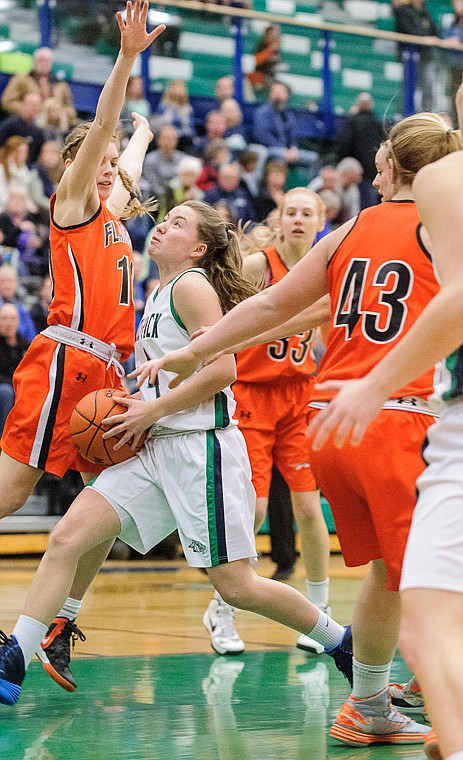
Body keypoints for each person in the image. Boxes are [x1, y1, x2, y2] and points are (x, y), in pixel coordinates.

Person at [132, 113, 463, 746]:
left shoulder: (352, 229)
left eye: (379, 158)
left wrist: (192, 350)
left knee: (387, 574)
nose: (370, 166)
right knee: (430, 571)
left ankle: (373, 700)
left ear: (390, 167)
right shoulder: (447, 228)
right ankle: (433, 691)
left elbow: (277, 305)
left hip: (326, 418)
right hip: (393, 414)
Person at [0, 201, 351, 705]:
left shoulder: (190, 286)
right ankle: (15, 659)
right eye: (165, 219)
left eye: (178, 223)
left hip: (199, 449)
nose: (163, 224)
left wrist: (151, 409)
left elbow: (222, 369)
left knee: (237, 586)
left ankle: (341, 642)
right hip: (157, 447)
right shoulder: (159, 292)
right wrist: (137, 406)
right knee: (67, 537)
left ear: (199, 248)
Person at [306, 37, 463, 760]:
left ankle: (437, 729)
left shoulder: (451, 178)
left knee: (429, 628)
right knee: (436, 609)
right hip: (446, 416)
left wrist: (372, 382)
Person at [0, 0, 165, 691]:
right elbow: (102, 134)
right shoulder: (73, 206)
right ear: (73, 165)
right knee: (10, 494)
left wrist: (145, 132)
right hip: (64, 364)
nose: (106, 168)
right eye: (93, 161)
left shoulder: (116, 217)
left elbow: (122, 150)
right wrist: (126, 60)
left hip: (107, 375)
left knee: (110, 503)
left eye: (110, 167)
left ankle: (58, 623)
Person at [201, 189, 333, 657]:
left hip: (299, 395)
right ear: (280, 218)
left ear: (321, 219)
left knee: (310, 508)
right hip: (253, 395)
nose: (298, 219)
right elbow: (220, 309)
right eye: (290, 211)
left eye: (307, 212)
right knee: (253, 510)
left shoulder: (324, 265)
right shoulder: (260, 265)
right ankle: (222, 607)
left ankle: (321, 611)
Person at [0, 46, 76, 126]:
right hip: (27, 123)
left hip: (55, 126)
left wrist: (58, 112)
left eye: (46, 61)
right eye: (40, 60)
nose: (43, 64)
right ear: (34, 62)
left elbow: (71, 110)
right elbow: (7, 101)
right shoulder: (21, 78)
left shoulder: (61, 84)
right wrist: (28, 110)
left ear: (51, 64)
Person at [392, 0, 440, 112]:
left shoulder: (425, 11)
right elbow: (405, 30)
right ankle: (407, 114)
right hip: (409, 55)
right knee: (409, 88)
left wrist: (429, 39)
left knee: (427, 88)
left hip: (425, 55)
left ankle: (426, 114)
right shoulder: (403, 10)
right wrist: (423, 39)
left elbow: (434, 31)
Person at [0, 303, 29, 437]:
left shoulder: (26, 345)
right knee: (7, 393)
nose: (8, 323)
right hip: (5, 387)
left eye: (12, 319)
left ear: (18, 321)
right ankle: (4, 438)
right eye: (4, 318)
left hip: (21, 387)